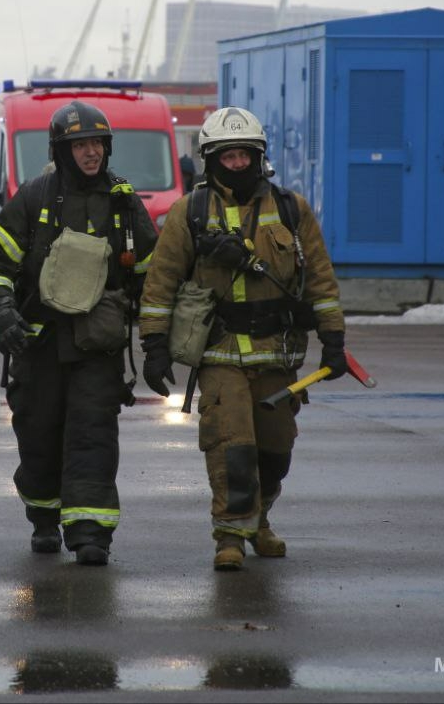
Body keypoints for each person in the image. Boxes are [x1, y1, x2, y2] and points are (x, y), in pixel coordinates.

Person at [137, 107, 346, 571]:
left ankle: (260, 520)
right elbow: (160, 282)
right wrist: (153, 346)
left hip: (278, 355)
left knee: (276, 450)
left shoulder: (291, 210)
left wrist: (333, 338)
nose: (236, 163)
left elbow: (322, 280)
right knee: (231, 446)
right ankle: (230, 535)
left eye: (244, 154)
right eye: (227, 156)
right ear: (210, 160)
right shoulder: (188, 213)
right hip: (220, 353)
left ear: (260, 156)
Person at [0, 101, 157, 566]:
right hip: (38, 345)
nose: (91, 153)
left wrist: (159, 339)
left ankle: (91, 532)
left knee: (93, 436)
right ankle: (43, 518)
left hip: (97, 347)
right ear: (62, 150)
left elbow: (155, 274)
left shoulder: (123, 202)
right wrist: (2, 314)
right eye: (81, 145)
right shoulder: (34, 198)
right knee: (39, 435)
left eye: (97, 143)